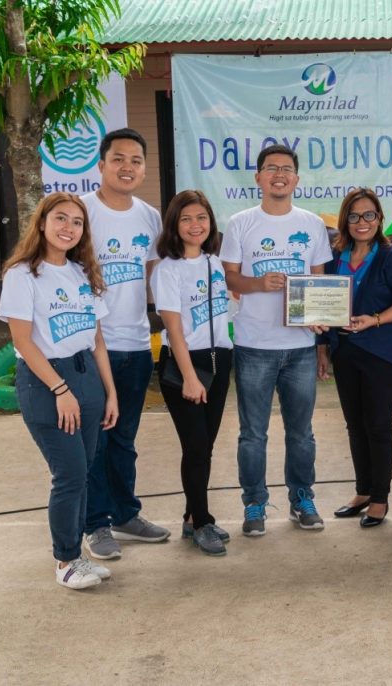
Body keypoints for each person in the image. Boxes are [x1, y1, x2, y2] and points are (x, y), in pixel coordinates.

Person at [0, 192, 119, 590]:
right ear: (43, 223)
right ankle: (66, 560)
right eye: (60, 219)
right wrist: (61, 388)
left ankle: (78, 555)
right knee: (68, 474)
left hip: (87, 377)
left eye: (77, 222)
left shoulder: (82, 273)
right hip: (47, 381)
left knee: (82, 473)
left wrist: (109, 393)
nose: (68, 227)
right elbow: (24, 340)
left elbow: (98, 341)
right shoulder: (22, 274)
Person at [219, 144, 332, 536]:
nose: (279, 174)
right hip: (253, 346)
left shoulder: (313, 224)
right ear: (258, 177)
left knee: (301, 432)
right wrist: (257, 283)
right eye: (271, 168)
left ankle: (302, 499)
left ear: (297, 179)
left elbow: (318, 285)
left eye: (286, 169)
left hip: (300, 347)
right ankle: (254, 504)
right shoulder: (240, 223)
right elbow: (229, 278)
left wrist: (321, 343)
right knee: (253, 433)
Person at [81, 128, 169, 561]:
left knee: (125, 437)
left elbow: (156, 279)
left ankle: (125, 513)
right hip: (90, 346)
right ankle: (95, 524)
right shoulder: (80, 212)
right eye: (118, 158)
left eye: (136, 160)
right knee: (94, 439)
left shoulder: (150, 217)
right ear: (100, 164)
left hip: (136, 343)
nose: (127, 167)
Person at [316, 189, 392, 528]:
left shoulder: (391, 257)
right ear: (345, 220)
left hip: (381, 353)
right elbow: (320, 304)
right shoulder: (334, 257)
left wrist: (373, 319)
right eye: (355, 216)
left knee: (378, 426)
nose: (363, 222)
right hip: (345, 351)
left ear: (380, 219)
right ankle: (362, 491)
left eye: (369, 215)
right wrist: (322, 347)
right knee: (355, 426)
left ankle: (380, 498)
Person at [151, 190, 234, 555]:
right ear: (174, 225)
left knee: (206, 446)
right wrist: (188, 376)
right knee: (196, 446)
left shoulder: (216, 263)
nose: (195, 225)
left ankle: (192, 516)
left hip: (220, 359)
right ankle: (202, 522)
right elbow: (174, 329)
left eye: (201, 217)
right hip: (185, 363)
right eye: (186, 219)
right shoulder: (167, 269)